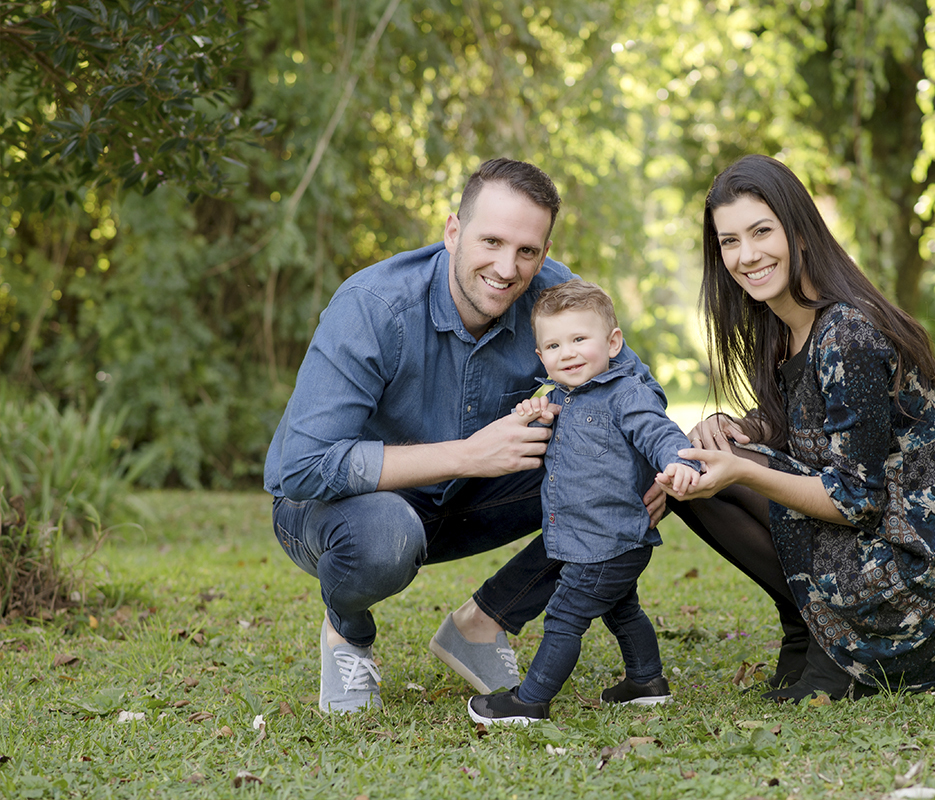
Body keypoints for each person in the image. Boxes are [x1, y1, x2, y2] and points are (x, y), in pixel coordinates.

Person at [263, 158, 667, 713]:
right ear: (453, 232)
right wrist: (470, 454)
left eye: (527, 251)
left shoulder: (553, 299)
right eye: (491, 241)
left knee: (632, 464)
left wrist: (658, 467)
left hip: (470, 501)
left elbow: (637, 389)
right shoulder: (373, 307)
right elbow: (301, 468)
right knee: (384, 536)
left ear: (544, 253)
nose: (507, 267)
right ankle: (347, 632)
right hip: (341, 514)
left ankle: (484, 622)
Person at [659, 154, 935, 702]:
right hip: (878, 556)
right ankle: (807, 631)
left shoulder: (848, 332)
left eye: (761, 231)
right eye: (728, 242)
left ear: (799, 230)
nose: (746, 256)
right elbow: (814, 427)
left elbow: (854, 500)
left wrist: (743, 467)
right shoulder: (784, 326)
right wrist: (738, 429)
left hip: (914, 591)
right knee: (692, 472)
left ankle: (839, 656)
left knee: (724, 474)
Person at [466, 280, 701, 725]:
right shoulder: (558, 398)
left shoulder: (626, 393)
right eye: (553, 345)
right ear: (541, 357)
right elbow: (541, 423)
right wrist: (528, 413)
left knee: (563, 617)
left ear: (613, 343)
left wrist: (679, 462)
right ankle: (646, 682)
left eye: (579, 339)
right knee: (622, 608)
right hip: (593, 540)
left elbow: (659, 431)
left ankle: (530, 701)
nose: (567, 353)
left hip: (608, 540)